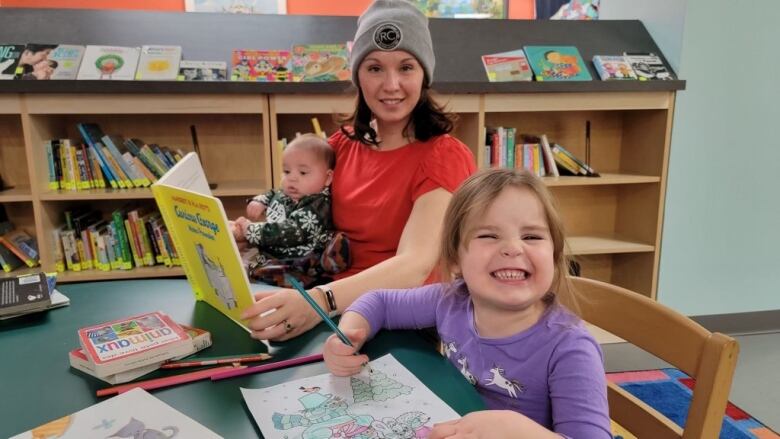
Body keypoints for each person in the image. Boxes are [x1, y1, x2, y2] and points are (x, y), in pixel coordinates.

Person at [239, 0, 476, 340]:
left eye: (406, 67)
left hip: (403, 318)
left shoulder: (445, 157)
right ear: (358, 76)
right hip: (330, 305)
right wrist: (249, 232)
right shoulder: (340, 145)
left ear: (424, 75)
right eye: (375, 68)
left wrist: (318, 302)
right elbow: (298, 211)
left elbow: (416, 264)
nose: (391, 84)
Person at [323, 168, 611, 438]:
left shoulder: (571, 348)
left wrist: (517, 430)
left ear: (554, 254)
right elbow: (379, 301)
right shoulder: (451, 299)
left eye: (531, 236)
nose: (512, 248)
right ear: (456, 258)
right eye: (489, 235)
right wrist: (350, 333)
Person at [232, 133, 348, 287]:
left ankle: (261, 274)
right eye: (287, 171)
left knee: (265, 272)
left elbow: (290, 231)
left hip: (299, 260)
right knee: (244, 258)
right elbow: (274, 193)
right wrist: (260, 201)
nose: (292, 178)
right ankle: (251, 268)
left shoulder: (317, 204)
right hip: (274, 251)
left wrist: (250, 230)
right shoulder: (290, 192)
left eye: (303, 172)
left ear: (327, 178)